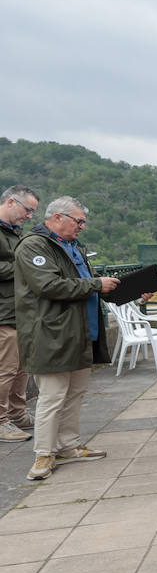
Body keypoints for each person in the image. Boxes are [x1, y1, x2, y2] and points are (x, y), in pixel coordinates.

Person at [14, 197, 119, 481]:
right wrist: (97, 284)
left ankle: (68, 445)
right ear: (58, 217)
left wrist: (119, 289)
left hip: (81, 333)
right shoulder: (34, 245)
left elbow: (85, 284)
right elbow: (47, 285)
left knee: (75, 394)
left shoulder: (72, 246)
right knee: (52, 397)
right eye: (78, 221)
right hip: (52, 335)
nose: (82, 227)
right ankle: (44, 453)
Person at [0, 185, 40, 442]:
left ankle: (17, 413)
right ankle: (1, 420)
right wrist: (24, 267)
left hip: (20, 311)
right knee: (5, 368)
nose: (29, 216)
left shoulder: (13, 233)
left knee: (21, 368)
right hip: (4, 311)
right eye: (28, 210)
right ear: (12, 202)